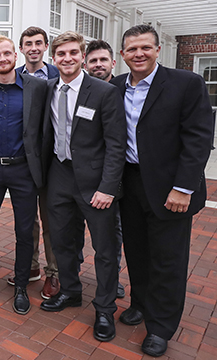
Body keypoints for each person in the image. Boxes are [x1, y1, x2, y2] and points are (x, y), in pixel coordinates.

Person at [111, 25, 213, 357]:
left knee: (168, 258)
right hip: (131, 182)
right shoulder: (114, 87)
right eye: (132, 49)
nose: (138, 54)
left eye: (145, 48)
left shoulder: (186, 83)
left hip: (171, 188)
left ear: (157, 50)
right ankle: (140, 303)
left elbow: (198, 139)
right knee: (137, 252)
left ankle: (161, 326)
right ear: (122, 55)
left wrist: (184, 187)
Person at [39, 32, 126, 344]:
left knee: (105, 249)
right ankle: (71, 291)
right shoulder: (48, 88)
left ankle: (104, 308)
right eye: (61, 54)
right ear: (54, 58)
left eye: (73, 53)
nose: (67, 58)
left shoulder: (103, 92)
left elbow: (117, 144)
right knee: (63, 241)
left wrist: (108, 187)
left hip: (95, 182)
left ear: (82, 56)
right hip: (59, 175)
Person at [0, 36, 48, 315]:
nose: (2, 59)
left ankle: (21, 286)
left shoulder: (37, 87)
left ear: (15, 55)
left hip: (23, 168)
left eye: (6, 54)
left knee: (25, 230)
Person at [11, 26, 63, 300]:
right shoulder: (13, 77)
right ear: (21, 49)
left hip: (49, 161)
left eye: (38, 43)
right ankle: (30, 267)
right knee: (25, 219)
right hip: (22, 163)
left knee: (50, 219)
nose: (33, 47)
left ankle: (54, 273)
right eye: (28, 43)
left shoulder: (57, 76)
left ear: (45, 47)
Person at [84, 39, 126, 300]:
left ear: (113, 62)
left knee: (113, 232)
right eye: (93, 61)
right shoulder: (81, 89)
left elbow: (116, 142)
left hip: (117, 174)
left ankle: (113, 280)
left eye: (103, 60)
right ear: (85, 64)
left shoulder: (123, 89)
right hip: (85, 174)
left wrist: (109, 185)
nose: (98, 65)